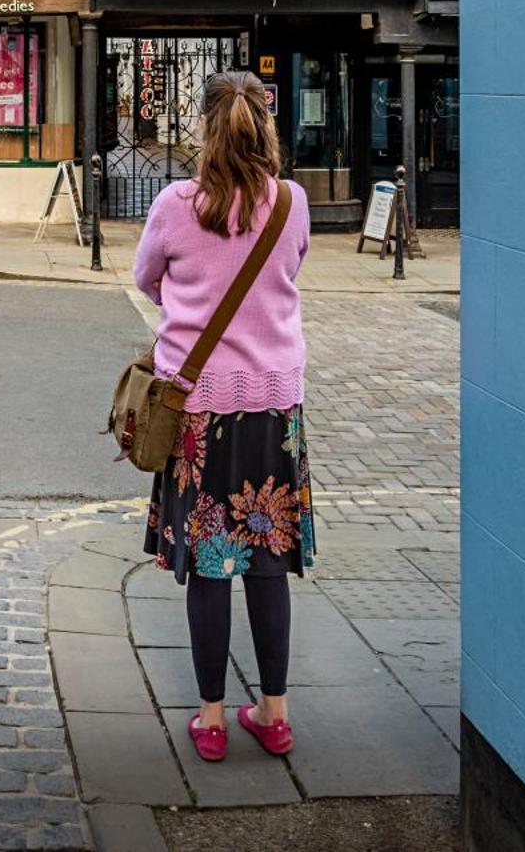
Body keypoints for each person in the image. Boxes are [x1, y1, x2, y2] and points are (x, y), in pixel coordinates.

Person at [133, 70, 314, 763]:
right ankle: (274, 711)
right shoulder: (292, 203)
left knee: (210, 566)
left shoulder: (179, 204)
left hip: (199, 412)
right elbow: (290, 265)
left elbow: (146, 276)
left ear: (204, 127)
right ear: (264, 125)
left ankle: (210, 716)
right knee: (266, 561)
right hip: (274, 408)